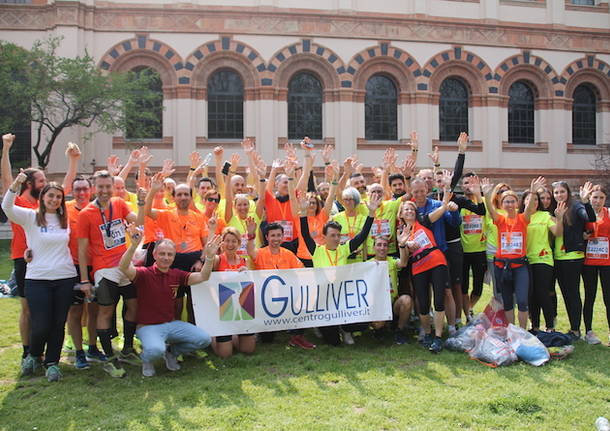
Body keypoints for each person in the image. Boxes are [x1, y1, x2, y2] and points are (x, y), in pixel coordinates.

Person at [2, 173, 77, 382]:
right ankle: (34, 354)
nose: (54, 200)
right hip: (37, 278)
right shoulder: (30, 216)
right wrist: (15, 185)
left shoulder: (66, 218)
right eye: (50, 196)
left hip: (64, 277)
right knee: (41, 323)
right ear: (43, 197)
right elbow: (7, 207)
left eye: (58, 197)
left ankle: (52, 363)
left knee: (58, 323)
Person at [119, 226, 216, 377]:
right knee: (156, 350)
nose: (166, 257)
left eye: (170, 255)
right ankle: (146, 359)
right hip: (147, 327)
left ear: (173, 257)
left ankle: (171, 353)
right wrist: (132, 246)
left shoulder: (176, 274)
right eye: (162, 254)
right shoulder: (144, 274)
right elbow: (124, 267)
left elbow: (203, 277)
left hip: (170, 325)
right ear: (154, 254)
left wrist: (209, 258)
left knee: (204, 340)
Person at [77, 170, 139, 378]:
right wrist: (85, 279)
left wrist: (143, 202)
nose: (104, 191)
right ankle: (109, 358)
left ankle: (128, 349)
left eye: (107, 187)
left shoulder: (119, 204)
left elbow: (137, 221)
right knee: (106, 311)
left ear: (112, 187)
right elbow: (82, 248)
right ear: (94, 188)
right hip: (103, 269)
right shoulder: (86, 213)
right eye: (100, 187)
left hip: (124, 264)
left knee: (133, 305)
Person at [299, 192, 381, 346]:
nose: (336, 238)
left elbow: (362, 236)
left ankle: (346, 329)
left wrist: (371, 213)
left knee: (362, 324)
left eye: (338, 235)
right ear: (325, 237)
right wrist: (303, 213)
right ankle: (321, 324)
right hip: (324, 299)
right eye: (332, 235)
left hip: (343, 296)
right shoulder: (317, 250)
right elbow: (304, 234)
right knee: (333, 342)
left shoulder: (344, 249)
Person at [1, 134, 47, 365]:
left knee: (43, 310)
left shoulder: (46, 203)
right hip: (23, 259)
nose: (45, 184)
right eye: (41, 181)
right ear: (29, 183)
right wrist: (6, 148)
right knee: (27, 309)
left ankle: (40, 351)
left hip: (44, 260)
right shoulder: (18, 202)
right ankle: (27, 351)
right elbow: (6, 181)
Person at [141, 173, 209, 324]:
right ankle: (174, 335)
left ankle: (192, 334)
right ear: (174, 197)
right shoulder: (165, 214)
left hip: (194, 263)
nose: (183, 197)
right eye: (179, 194)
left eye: (186, 194)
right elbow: (146, 212)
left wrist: (201, 261)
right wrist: (153, 190)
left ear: (191, 197)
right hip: (173, 262)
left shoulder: (198, 217)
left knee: (193, 302)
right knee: (175, 303)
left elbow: (206, 242)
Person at [482, 177, 543, 329]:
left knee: (522, 301)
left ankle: (522, 332)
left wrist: (533, 191)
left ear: (517, 203)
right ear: (502, 204)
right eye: (506, 201)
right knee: (507, 302)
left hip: (519, 266)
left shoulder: (523, 218)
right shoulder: (499, 219)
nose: (509, 204)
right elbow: (489, 208)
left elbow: (529, 207)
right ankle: (512, 332)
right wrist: (487, 194)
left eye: (512, 201)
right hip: (501, 267)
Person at [246, 219, 317, 349]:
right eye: (273, 235)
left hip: (286, 297)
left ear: (283, 237)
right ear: (267, 237)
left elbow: (301, 270)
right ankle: (262, 331)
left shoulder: (288, 254)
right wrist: (251, 235)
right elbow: (251, 251)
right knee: (267, 340)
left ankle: (296, 337)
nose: (276, 238)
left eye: (279, 235)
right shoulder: (261, 253)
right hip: (266, 300)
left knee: (305, 298)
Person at [399, 191, 454, 353]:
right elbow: (404, 259)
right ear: (401, 214)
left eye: (412, 209)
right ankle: (428, 333)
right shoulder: (401, 232)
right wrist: (404, 245)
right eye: (406, 209)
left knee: (438, 299)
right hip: (418, 266)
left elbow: (442, 209)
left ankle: (437, 337)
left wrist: (445, 193)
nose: (409, 211)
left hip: (436, 260)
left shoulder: (423, 220)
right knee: (423, 303)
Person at [65, 175, 105, 368]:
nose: (81, 193)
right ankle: (79, 351)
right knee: (75, 310)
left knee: (94, 310)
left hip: (96, 266)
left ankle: (92, 347)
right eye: (77, 189)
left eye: (84, 189)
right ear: (72, 191)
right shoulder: (64, 210)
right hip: (72, 266)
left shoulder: (98, 209)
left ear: (91, 190)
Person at [552, 180, 595, 341]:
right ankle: (573, 328)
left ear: (568, 192)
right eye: (556, 192)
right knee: (565, 293)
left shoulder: (576, 206)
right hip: (558, 258)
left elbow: (590, 218)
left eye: (562, 191)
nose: (559, 195)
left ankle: (576, 330)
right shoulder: (554, 208)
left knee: (573, 294)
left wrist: (585, 201)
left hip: (573, 258)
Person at [520, 190, 565, 332]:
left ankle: (550, 327)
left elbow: (558, 233)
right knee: (531, 294)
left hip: (543, 259)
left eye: (536, 200)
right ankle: (535, 326)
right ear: (524, 202)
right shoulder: (520, 217)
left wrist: (559, 218)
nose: (533, 202)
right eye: (530, 199)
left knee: (542, 292)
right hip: (525, 260)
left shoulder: (545, 216)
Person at [209, 226, 254, 358]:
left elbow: (252, 284)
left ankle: (234, 335)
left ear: (239, 244)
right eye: (227, 241)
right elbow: (207, 266)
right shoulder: (218, 260)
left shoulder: (244, 261)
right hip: (222, 310)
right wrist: (210, 252)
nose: (230, 244)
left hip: (241, 310)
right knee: (225, 354)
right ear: (222, 243)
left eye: (234, 241)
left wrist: (247, 273)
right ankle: (212, 336)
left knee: (248, 350)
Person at [368, 233, 411, 344]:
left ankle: (399, 331)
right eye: (379, 245)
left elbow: (403, 263)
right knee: (378, 323)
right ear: (373, 248)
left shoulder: (392, 260)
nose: (382, 248)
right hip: (377, 306)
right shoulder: (367, 264)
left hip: (392, 302)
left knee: (406, 300)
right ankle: (379, 329)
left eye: (385, 245)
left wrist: (401, 245)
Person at [582, 185, 610, 345]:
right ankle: (589, 332)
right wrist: (582, 235)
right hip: (589, 262)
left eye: (601, 198)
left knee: (608, 297)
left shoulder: (609, 213)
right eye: (595, 197)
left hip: (607, 262)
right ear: (590, 198)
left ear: (605, 199)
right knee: (590, 296)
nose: (598, 201)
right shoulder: (584, 214)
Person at [459, 173, 488, 321]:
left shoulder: (483, 202)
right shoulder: (459, 202)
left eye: (472, 183)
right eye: (465, 183)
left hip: (480, 251)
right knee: (463, 287)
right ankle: (467, 315)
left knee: (478, 287)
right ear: (461, 186)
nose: (469, 186)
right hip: (463, 252)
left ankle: (469, 307)